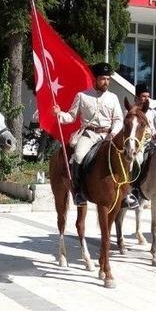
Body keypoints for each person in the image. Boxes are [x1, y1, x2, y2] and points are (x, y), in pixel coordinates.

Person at [53, 62, 137, 209]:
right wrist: (59, 114)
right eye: (103, 79)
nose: (106, 82)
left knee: (126, 157)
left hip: (109, 135)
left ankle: (126, 194)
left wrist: (112, 133)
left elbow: (118, 119)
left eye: (108, 79)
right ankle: (78, 191)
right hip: (89, 134)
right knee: (78, 156)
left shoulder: (113, 97)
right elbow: (71, 117)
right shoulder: (82, 96)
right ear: (95, 79)